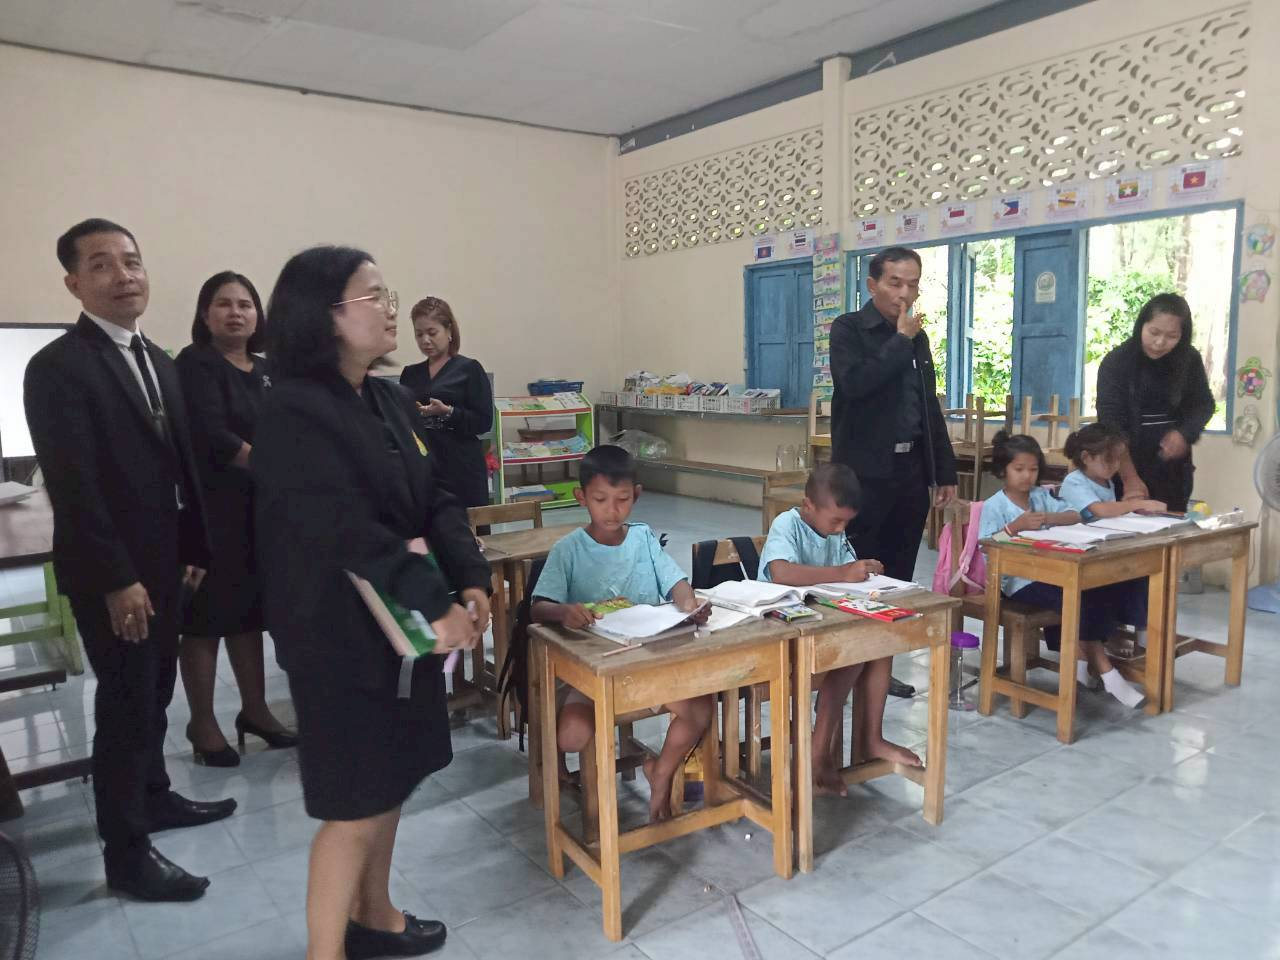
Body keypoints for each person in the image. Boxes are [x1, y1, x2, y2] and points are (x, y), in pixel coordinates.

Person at [253, 245, 491, 960]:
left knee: (393, 778)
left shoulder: (388, 398)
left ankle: (376, 917)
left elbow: (434, 497)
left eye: (389, 294)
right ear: (324, 314)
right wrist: (434, 601)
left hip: (400, 630)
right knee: (353, 805)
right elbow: (344, 527)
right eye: (374, 296)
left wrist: (470, 575)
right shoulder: (293, 410)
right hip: (336, 633)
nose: (391, 309)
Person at [24, 219, 236, 902]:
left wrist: (195, 549)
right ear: (74, 283)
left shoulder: (160, 361)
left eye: (132, 261)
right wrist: (118, 580)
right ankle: (126, 853)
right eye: (102, 264)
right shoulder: (58, 367)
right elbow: (75, 485)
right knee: (123, 703)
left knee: (156, 690)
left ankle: (155, 795)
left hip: (169, 563)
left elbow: (182, 466)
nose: (124, 276)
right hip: (113, 574)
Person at [531, 444, 712, 823]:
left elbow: (676, 582)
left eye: (623, 499)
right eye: (600, 500)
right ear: (581, 497)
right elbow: (538, 607)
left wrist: (689, 604)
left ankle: (661, 772)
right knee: (571, 737)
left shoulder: (642, 539)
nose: (612, 510)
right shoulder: (568, 550)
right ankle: (562, 765)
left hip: (644, 666)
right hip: (590, 673)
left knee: (700, 708)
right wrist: (564, 612)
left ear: (637, 495)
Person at [830, 246, 958, 722]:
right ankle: (842, 668)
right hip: (863, 474)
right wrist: (900, 341)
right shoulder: (848, 330)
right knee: (858, 572)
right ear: (872, 285)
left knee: (898, 576)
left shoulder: (916, 339)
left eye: (913, 284)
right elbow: (855, 386)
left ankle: (880, 666)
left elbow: (928, 406)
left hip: (910, 472)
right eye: (895, 283)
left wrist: (943, 470)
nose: (905, 293)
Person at [174, 271, 296, 767]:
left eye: (245, 304)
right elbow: (212, 435)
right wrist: (274, 465)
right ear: (205, 314)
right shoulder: (194, 364)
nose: (236, 313)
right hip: (209, 513)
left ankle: (256, 711)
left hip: (260, 512)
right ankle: (202, 723)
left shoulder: (267, 369)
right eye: (223, 304)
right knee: (205, 619)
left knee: (248, 615)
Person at [978, 432, 1146, 708]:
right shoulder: (994, 505)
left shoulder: (1040, 496)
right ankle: (1107, 672)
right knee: (1075, 600)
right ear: (1002, 471)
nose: (1027, 476)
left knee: (1095, 592)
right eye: (1019, 469)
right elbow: (985, 545)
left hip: (1052, 573)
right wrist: (1014, 527)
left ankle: (1081, 665)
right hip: (1017, 583)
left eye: (1033, 469)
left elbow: (1076, 514)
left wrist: (1049, 518)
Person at [758, 463, 895, 793]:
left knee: (875, 647)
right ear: (808, 505)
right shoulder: (787, 524)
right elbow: (781, 572)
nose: (840, 529)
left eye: (846, 522)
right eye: (835, 521)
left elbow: (845, 569)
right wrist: (843, 573)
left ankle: (859, 742)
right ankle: (819, 754)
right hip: (778, 633)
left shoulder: (834, 532)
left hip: (819, 628)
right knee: (853, 658)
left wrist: (863, 570)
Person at [1096, 293, 1215, 511]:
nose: (1160, 342)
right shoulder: (1117, 362)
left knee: (1170, 523)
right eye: (1154, 332)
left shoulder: (1189, 359)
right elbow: (1111, 424)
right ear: (1141, 325)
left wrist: (1184, 433)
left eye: (1171, 336)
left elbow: (1203, 404)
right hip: (1124, 462)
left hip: (1172, 469)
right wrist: (1130, 478)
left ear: (1183, 335)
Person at [1058, 423, 1162, 654]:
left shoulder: (1106, 481)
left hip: (1104, 547)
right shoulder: (1074, 481)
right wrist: (1136, 504)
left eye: (1118, 459)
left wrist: (1135, 510)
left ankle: (1143, 633)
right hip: (1078, 553)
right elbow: (1100, 510)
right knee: (1110, 582)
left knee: (1140, 573)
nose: (1116, 465)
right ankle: (1112, 634)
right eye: (1109, 459)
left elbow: (1112, 514)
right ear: (1086, 457)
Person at [399, 298, 493, 509]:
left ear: (449, 331)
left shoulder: (469, 369)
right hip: (424, 466)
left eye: (432, 333)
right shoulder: (410, 374)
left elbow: (483, 422)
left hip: (462, 466)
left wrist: (448, 412)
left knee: (468, 525)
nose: (425, 340)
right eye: (419, 334)